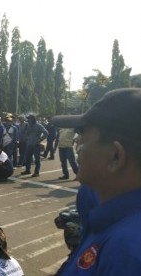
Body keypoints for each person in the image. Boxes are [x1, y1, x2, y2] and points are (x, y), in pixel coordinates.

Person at [51, 88, 141, 275]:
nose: (77, 143)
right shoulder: (110, 219)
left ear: (116, 156)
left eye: (83, 134)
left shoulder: (127, 251)